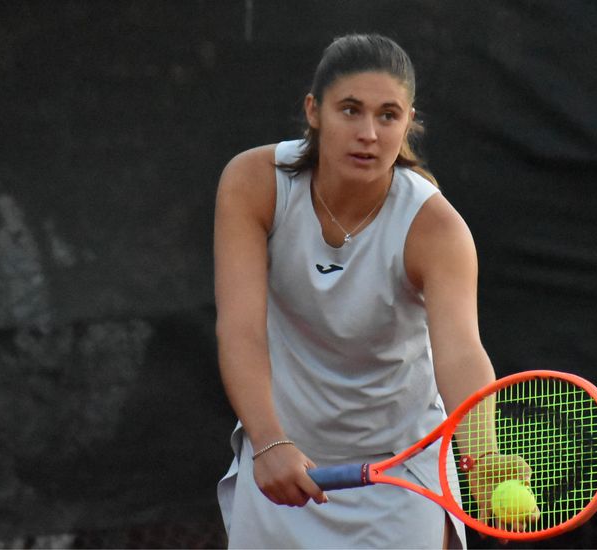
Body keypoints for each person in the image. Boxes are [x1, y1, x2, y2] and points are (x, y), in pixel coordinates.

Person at [214, 33, 528, 548]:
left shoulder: (437, 229)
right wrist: (269, 440)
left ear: (407, 122)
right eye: (351, 110)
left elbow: (460, 351)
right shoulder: (254, 183)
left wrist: (484, 457)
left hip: (401, 473)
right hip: (284, 460)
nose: (368, 133)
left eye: (388, 115)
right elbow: (241, 330)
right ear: (314, 111)